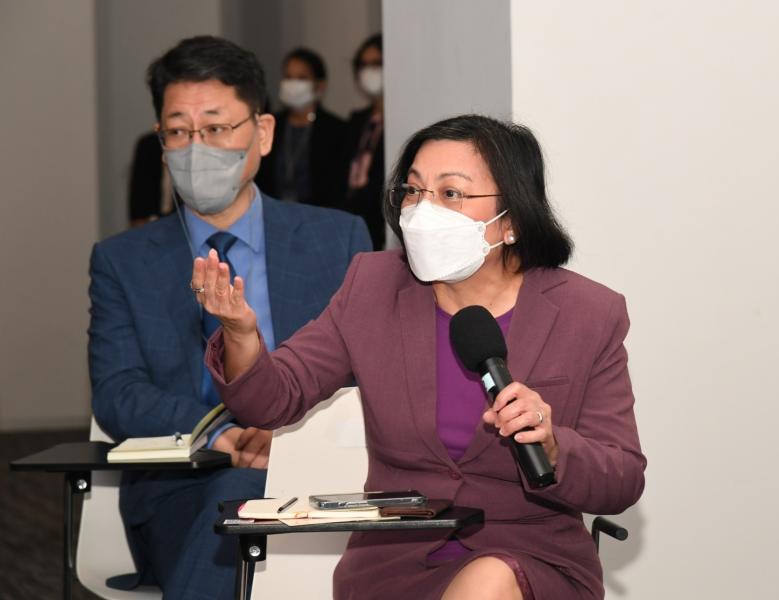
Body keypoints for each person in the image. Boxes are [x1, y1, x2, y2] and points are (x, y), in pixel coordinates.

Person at [197, 114, 646, 599]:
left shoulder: (587, 313)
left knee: (490, 581)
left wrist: (555, 447)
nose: (423, 210)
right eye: (413, 191)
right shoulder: (372, 286)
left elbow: (621, 479)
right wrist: (241, 335)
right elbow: (272, 400)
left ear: (511, 219)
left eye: (450, 193)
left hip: (532, 557)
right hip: (395, 564)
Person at [88, 36, 371, 599]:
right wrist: (221, 433)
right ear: (161, 142)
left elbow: (371, 372)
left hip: (320, 480)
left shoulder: (336, 240)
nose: (196, 148)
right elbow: (118, 393)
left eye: (216, 128)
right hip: (184, 487)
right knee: (238, 497)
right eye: (178, 132)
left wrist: (288, 439)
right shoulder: (123, 261)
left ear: (262, 132)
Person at [256, 47, 348, 206]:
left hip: (318, 212)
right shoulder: (272, 124)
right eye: (288, 77)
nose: (293, 84)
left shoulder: (336, 129)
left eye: (301, 78)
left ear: (319, 85)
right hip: (273, 209)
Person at [342, 33, 387, 249]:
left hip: (380, 218)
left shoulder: (398, 118)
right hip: (352, 213)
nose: (369, 71)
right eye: (363, 65)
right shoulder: (357, 120)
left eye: (376, 63)